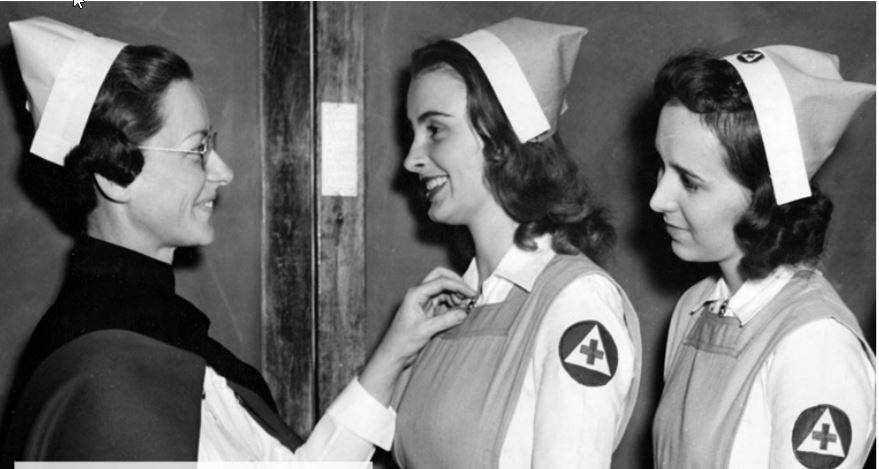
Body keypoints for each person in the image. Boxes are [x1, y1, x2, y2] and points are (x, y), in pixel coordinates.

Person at [1, 16, 475, 463]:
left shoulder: (138, 333)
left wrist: (393, 354)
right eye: (197, 150)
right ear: (114, 177)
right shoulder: (104, 375)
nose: (222, 171)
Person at [391, 17, 642, 468]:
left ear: (501, 142)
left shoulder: (575, 303)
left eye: (435, 130)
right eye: (414, 132)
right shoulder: (452, 304)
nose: (411, 159)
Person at [649, 46, 876, 468]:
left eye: (690, 181)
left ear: (764, 198)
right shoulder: (695, 309)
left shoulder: (815, 347)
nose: (658, 198)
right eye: (661, 167)